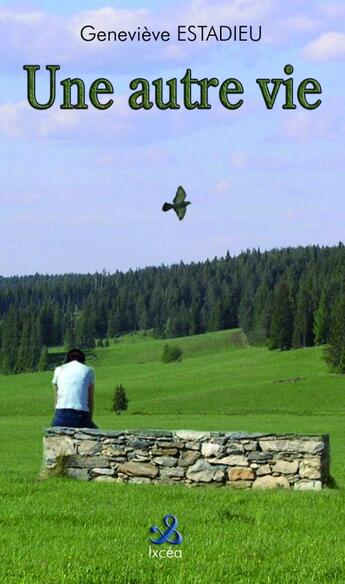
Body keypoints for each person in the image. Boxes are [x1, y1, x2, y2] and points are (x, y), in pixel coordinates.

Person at [51, 348, 98, 428]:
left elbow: (56, 398)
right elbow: (90, 400)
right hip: (80, 414)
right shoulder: (89, 371)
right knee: (97, 433)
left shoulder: (58, 370)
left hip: (61, 414)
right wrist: (89, 420)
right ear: (83, 361)